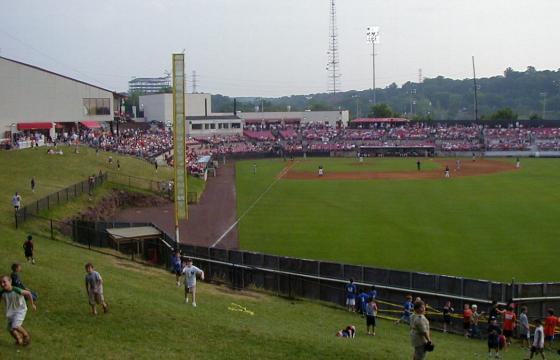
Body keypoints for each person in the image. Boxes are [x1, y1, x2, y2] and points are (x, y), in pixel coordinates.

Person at [0, 275, 36, 346]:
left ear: (10, 282)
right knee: (10, 329)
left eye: (4, 282)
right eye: (0, 283)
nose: (2, 284)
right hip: (10, 312)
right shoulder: (2, 293)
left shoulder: (16, 290)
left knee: (15, 325)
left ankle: (26, 336)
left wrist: (32, 304)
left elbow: (28, 293)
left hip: (20, 310)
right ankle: (19, 340)